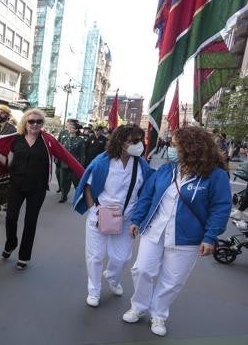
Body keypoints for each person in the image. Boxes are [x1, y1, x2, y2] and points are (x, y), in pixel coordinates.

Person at [122, 126, 231, 337]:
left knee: (172, 280)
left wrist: (210, 236)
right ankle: (139, 305)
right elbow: (147, 195)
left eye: (175, 145)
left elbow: (221, 207)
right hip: (154, 230)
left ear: (190, 147)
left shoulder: (215, 175)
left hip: (186, 238)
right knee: (142, 269)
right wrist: (137, 219)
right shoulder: (167, 169)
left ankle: (159, 314)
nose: (171, 149)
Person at [0, 109, 84, 270]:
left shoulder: (48, 140)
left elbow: (67, 157)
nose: (35, 124)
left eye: (39, 122)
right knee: (10, 218)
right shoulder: (16, 140)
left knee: (30, 222)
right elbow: (8, 163)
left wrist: (85, 175)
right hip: (16, 185)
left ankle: (23, 256)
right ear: (25, 122)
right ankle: (11, 244)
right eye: (31, 121)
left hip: (37, 188)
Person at [73, 124, 154, 307]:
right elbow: (88, 185)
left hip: (127, 219)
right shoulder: (103, 161)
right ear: (121, 141)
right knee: (95, 256)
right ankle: (94, 290)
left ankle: (112, 276)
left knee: (122, 257)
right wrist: (94, 209)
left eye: (140, 140)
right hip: (101, 214)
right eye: (134, 140)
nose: (139, 144)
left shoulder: (141, 165)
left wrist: (138, 219)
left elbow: (147, 191)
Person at [59, 122, 85, 203]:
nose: (69, 129)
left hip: (75, 164)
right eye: (69, 127)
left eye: (72, 128)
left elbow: (82, 154)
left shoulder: (80, 140)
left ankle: (78, 197)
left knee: (76, 182)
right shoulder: (64, 138)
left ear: (76, 130)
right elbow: (61, 151)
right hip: (64, 164)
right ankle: (64, 195)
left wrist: (81, 165)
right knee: (63, 181)